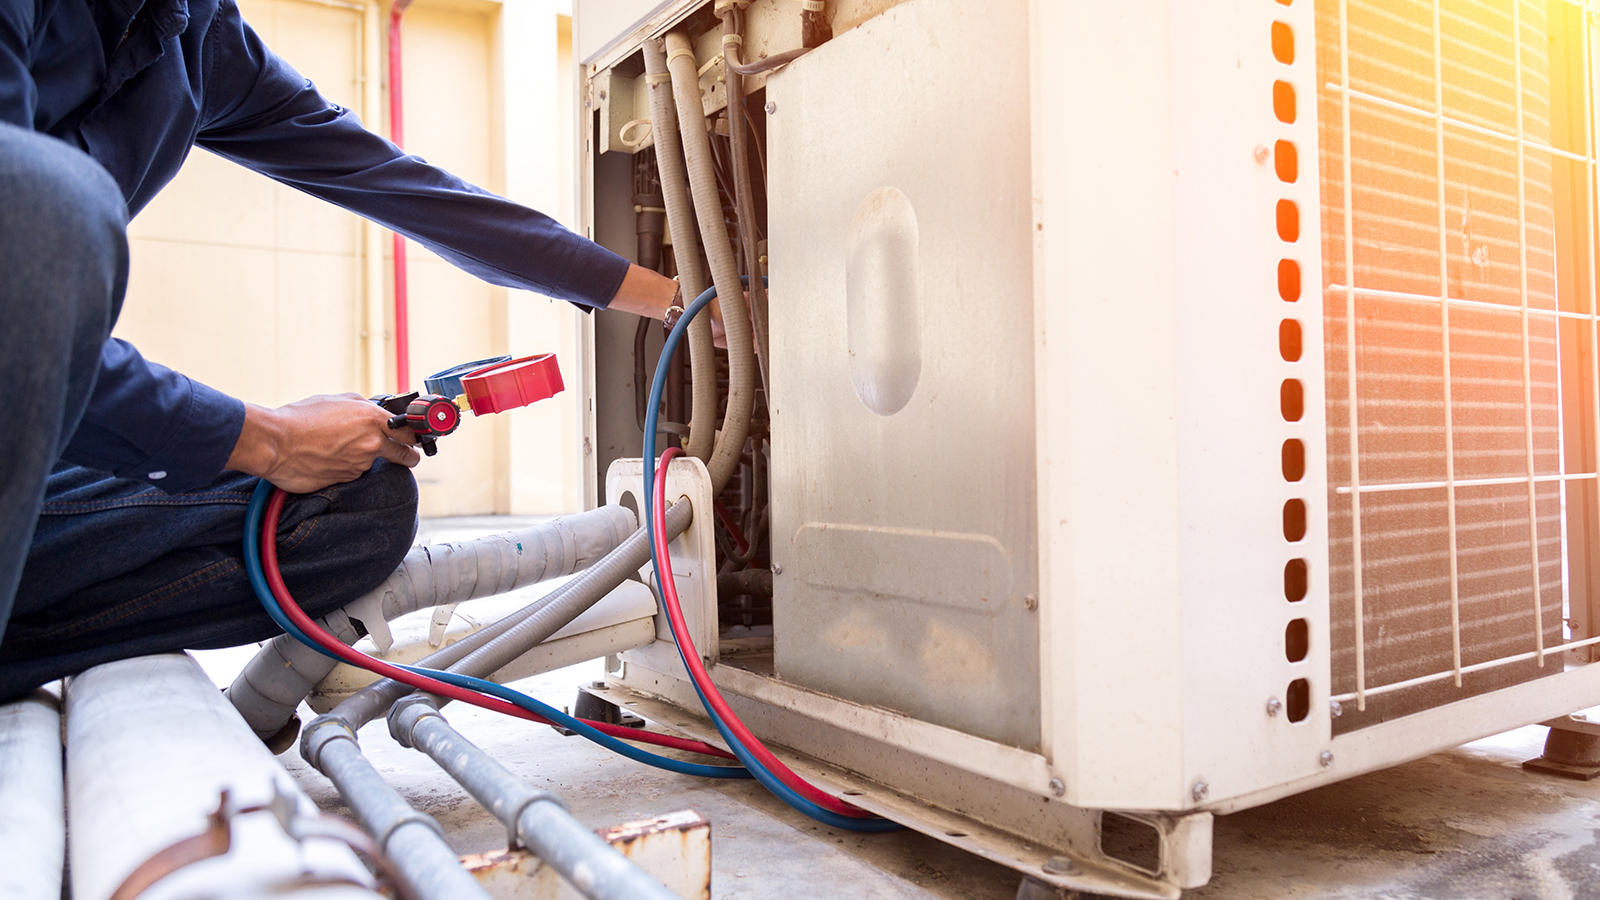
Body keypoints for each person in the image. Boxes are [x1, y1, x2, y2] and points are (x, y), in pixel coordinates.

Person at [0, 0, 684, 701]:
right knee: (52, 199)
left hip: (34, 476)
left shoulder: (197, 34)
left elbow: (416, 192)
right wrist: (265, 438)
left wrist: (673, 296)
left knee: (359, 502)